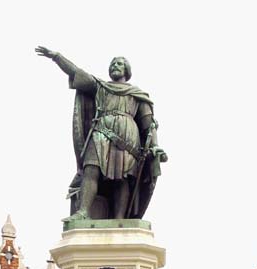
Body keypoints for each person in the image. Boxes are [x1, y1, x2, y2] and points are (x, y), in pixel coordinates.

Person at [35, 46, 167, 221]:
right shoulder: (100, 87)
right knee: (91, 169)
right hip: (101, 132)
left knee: (123, 178)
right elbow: (77, 72)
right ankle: (83, 212)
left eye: (119, 64)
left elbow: (149, 125)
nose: (115, 66)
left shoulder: (137, 95)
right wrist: (57, 57)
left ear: (127, 71)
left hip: (128, 139)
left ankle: (120, 218)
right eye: (112, 63)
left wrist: (156, 145)